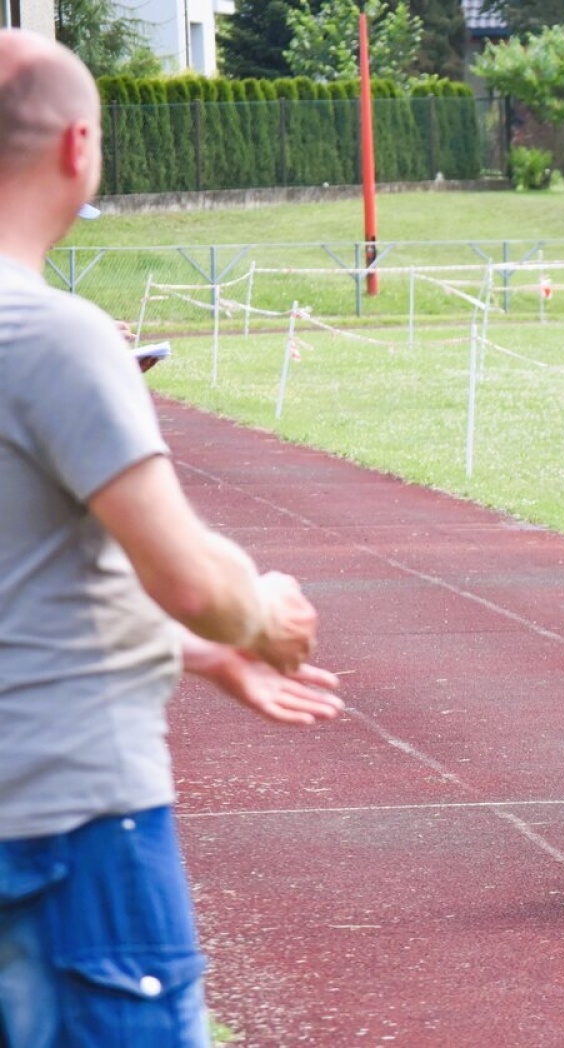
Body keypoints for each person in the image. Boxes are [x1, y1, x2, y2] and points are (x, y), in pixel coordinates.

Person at [0, 30, 342, 1046]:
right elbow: (188, 576)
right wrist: (258, 614)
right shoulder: (53, 334)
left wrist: (191, 657)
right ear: (80, 146)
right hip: (69, 830)